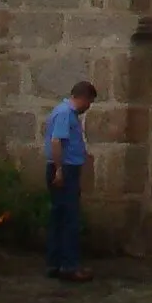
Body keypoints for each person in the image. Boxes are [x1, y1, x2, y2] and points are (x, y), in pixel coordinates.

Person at [43, 80, 97, 282]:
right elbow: (57, 141)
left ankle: (55, 263)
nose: (88, 107)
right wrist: (59, 170)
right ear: (83, 98)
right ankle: (69, 265)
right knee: (70, 218)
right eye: (89, 102)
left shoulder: (63, 112)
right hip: (65, 170)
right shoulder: (66, 113)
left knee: (59, 217)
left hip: (64, 168)